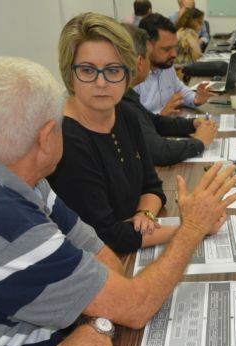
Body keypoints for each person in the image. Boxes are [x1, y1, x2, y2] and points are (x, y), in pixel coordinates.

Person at [0, 55, 236, 346]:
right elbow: (136, 307)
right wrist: (192, 227)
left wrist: (97, 321)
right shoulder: (2, 219)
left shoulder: (23, 180)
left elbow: (96, 251)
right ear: (46, 136)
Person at [47, 13, 171, 254]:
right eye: (87, 70)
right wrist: (191, 228)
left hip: (135, 244)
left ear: (128, 71)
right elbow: (106, 236)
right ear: (69, 73)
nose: (101, 83)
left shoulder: (125, 114)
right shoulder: (66, 139)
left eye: (113, 70)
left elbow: (153, 187)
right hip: (95, 263)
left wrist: (144, 215)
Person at [121, 24, 217, 166]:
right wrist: (199, 142)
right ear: (140, 62)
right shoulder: (120, 100)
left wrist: (192, 124)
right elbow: (159, 152)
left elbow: (154, 121)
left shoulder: (127, 94)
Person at [135, 13, 213, 116]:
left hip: (170, 125)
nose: (174, 54)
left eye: (174, 47)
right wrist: (160, 116)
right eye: (167, 49)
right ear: (147, 45)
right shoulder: (134, 76)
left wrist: (195, 99)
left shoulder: (166, 64)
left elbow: (179, 88)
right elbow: (135, 121)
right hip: (153, 129)